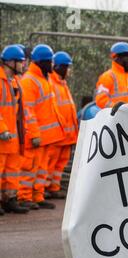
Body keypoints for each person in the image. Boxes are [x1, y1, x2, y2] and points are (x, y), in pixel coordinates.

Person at [19, 44, 65, 210]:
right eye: (49, 62)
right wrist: (34, 133)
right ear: (41, 62)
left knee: (41, 168)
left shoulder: (44, 79)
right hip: (35, 136)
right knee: (29, 167)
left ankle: (37, 196)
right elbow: (28, 111)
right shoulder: (29, 81)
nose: (52, 65)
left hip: (46, 136)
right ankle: (24, 196)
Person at [0, 45, 29, 214]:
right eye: (21, 62)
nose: (23, 65)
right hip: (3, 135)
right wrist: (2, 129)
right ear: (11, 62)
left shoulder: (15, 81)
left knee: (12, 170)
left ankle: (10, 198)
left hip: (13, 135)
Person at [46, 51, 78, 199]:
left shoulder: (61, 84)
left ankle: (53, 187)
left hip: (66, 134)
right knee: (49, 164)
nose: (69, 71)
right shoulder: (52, 84)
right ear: (59, 67)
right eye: (67, 67)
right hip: (58, 133)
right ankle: (44, 189)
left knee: (59, 164)